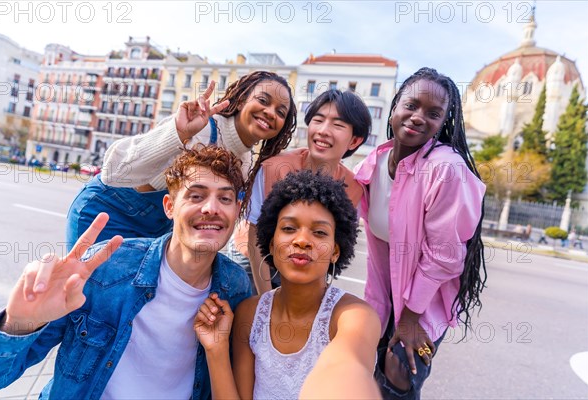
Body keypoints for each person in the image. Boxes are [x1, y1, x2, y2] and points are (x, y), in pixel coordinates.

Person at [0, 146, 252, 399]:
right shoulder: (106, 266)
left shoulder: (236, 288)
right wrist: (19, 324)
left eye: (225, 198)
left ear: (236, 211)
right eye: (196, 196)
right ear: (169, 206)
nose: (211, 208)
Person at [354, 67, 487, 399]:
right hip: (384, 292)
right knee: (368, 370)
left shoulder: (445, 169)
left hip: (424, 302)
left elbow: (444, 256)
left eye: (433, 113)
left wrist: (410, 319)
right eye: (411, 105)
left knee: (400, 371)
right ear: (396, 104)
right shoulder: (375, 161)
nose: (418, 117)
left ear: (444, 123)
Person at [193, 170, 380, 399]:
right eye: (289, 228)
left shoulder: (354, 316)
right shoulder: (250, 314)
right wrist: (216, 348)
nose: (302, 241)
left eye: (319, 232)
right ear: (271, 245)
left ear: (335, 251)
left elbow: (348, 368)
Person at [66, 71, 297, 249]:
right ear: (242, 99)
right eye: (263, 101)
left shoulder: (246, 162)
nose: (270, 112)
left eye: (280, 111)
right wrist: (179, 132)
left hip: (157, 231)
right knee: (90, 302)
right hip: (108, 213)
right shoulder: (203, 127)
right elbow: (113, 171)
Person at [246, 89, 372, 294]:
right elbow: (254, 239)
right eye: (318, 120)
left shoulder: (355, 188)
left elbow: (335, 250)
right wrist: (265, 298)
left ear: (355, 141)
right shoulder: (273, 168)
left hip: (308, 274)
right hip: (258, 267)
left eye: (338, 125)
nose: (323, 130)